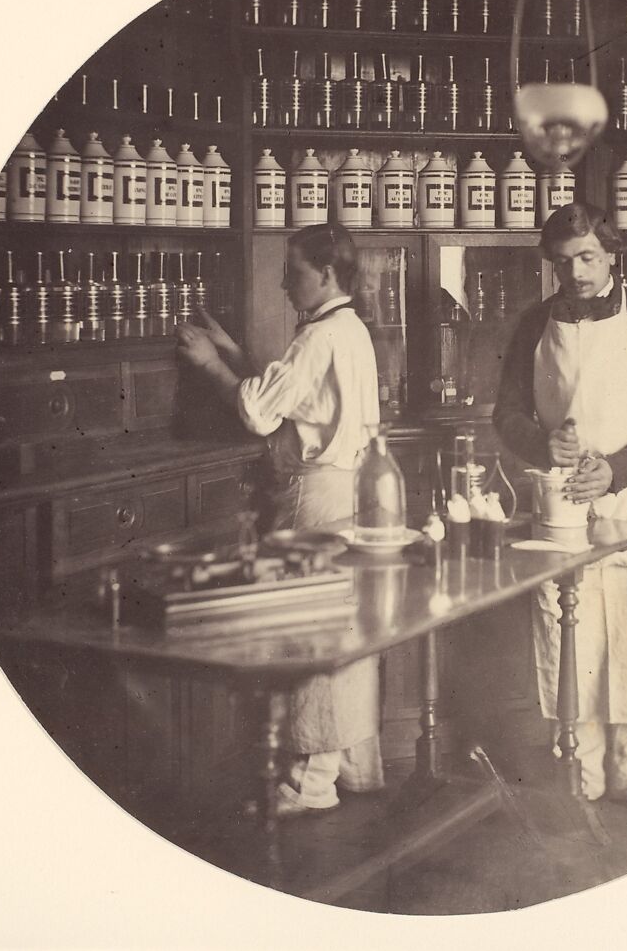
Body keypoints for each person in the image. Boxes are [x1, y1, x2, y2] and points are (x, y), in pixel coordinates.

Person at [175, 222, 384, 818]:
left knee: (309, 629)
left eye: (294, 273)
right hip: (352, 492)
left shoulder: (318, 335)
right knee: (347, 629)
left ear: (327, 274)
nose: (284, 284)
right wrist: (235, 353)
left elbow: (257, 411)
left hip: (316, 496)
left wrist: (209, 364)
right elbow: (298, 394)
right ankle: (352, 766)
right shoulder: (348, 328)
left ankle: (310, 783)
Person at [493, 202, 627, 820]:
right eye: (563, 262)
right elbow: (507, 414)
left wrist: (617, 469)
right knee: (569, 638)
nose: (576, 273)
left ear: (611, 255)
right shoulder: (534, 325)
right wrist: (540, 443)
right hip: (562, 506)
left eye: (586, 257)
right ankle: (577, 778)